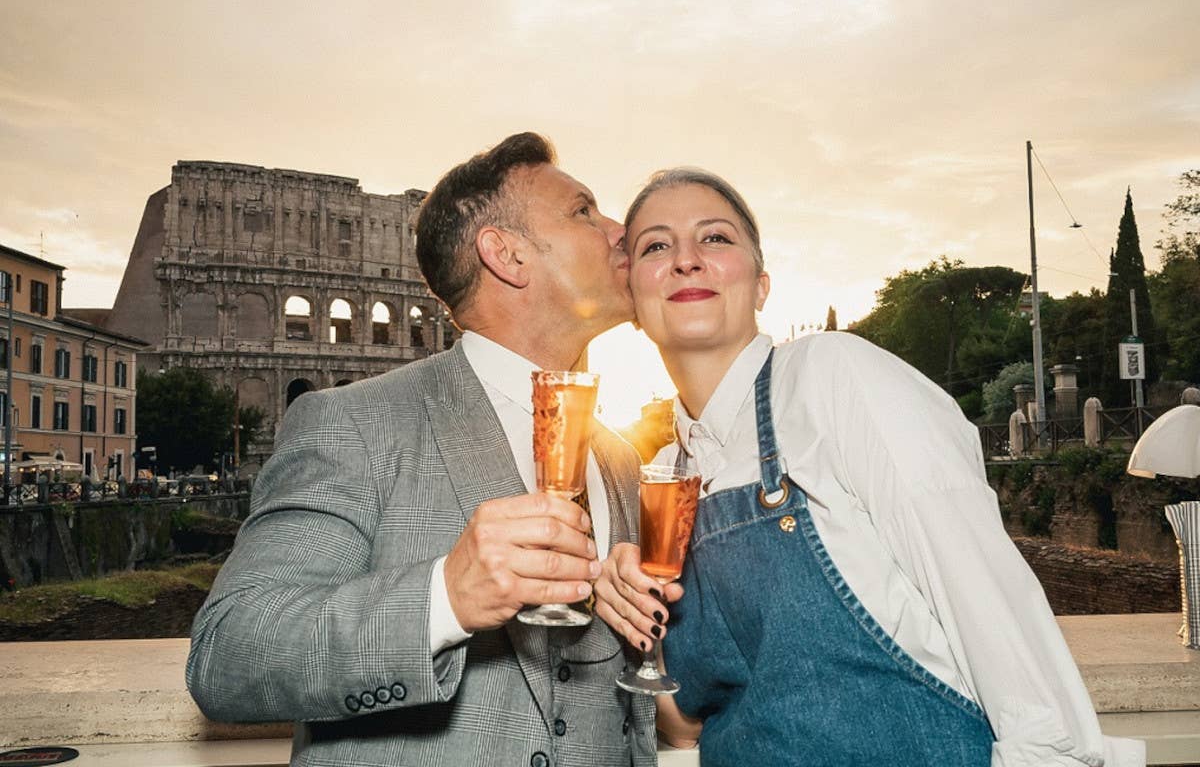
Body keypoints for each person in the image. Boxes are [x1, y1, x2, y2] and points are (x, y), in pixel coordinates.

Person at [594, 168, 1146, 767]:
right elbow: (684, 725)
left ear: (760, 285)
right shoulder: (665, 475)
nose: (686, 260)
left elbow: (983, 589)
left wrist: (1052, 753)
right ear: (634, 301)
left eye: (716, 238)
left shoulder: (832, 377)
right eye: (655, 246)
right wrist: (631, 620)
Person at [187, 133, 658, 767]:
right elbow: (229, 655)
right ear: (507, 255)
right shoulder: (350, 423)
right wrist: (446, 597)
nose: (622, 230)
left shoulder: (621, 462)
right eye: (583, 211)